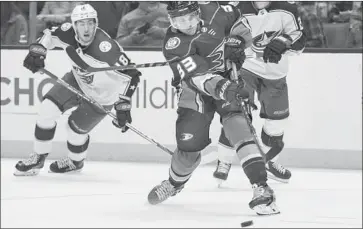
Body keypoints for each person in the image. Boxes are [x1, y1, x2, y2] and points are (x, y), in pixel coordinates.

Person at [147, 1, 279, 215]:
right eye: (179, 20)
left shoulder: (218, 9)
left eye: (190, 17)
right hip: (196, 92)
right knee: (188, 148)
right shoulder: (174, 45)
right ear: (171, 20)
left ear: (197, 12)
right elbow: (199, 78)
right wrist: (225, 87)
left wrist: (237, 39)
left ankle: (262, 188)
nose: (187, 24)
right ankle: (174, 183)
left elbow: (239, 22)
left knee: (240, 130)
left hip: (230, 79)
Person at [14, 4, 141, 175]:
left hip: (101, 96)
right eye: (81, 24)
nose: (86, 28)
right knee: (47, 110)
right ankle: (38, 157)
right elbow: (48, 36)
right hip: (76, 81)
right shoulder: (66, 32)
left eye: (90, 23)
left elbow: (132, 75)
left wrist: (124, 105)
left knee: (74, 130)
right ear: (74, 25)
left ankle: (75, 162)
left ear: (96, 23)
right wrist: (37, 52)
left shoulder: (107, 49)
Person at [213, 1, 306, 184]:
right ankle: (224, 161)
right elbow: (221, 33)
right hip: (245, 69)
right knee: (236, 114)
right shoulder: (236, 7)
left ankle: (269, 160)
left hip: (276, 73)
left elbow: (300, 39)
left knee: (277, 122)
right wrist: (231, 46)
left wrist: (283, 42)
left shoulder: (288, 8)